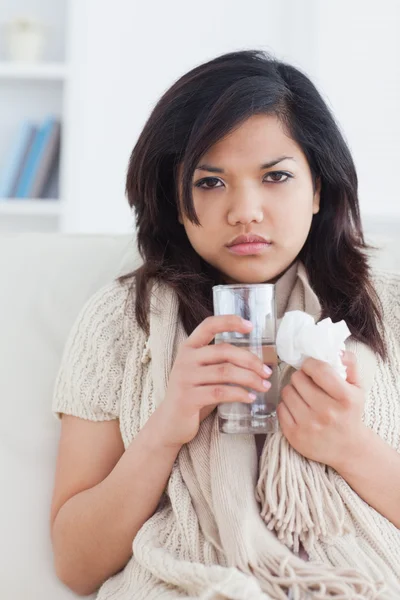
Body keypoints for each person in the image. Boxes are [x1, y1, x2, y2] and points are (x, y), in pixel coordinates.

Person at [49, 49, 400, 599]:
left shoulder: (389, 308)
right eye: (211, 182)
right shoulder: (121, 321)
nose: (245, 210)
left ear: (318, 189)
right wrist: (166, 428)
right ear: (175, 195)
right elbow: (76, 563)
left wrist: (350, 446)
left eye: (276, 176)